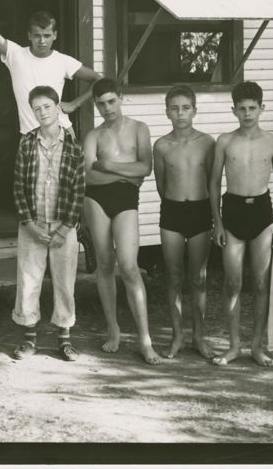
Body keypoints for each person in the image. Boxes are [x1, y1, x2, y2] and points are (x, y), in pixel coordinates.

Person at [209, 80, 273, 367]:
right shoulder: (225, 141)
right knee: (232, 282)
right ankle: (233, 346)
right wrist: (217, 222)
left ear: (262, 109)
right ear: (233, 110)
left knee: (260, 282)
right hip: (232, 211)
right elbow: (214, 182)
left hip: (261, 214)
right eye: (241, 109)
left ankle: (257, 346)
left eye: (252, 108)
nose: (247, 114)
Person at [83, 78, 162, 365]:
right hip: (95, 199)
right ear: (96, 105)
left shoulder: (139, 128)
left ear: (121, 98)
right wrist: (127, 174)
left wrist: (109, 166)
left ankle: (144, 339)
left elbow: (146, 168)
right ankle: (113, 329)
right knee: (104, 264)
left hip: (126, 201)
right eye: (101, 103)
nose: (107, 108)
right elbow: (88, 175)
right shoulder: (93, 136)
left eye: (111, 101)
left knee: (129, 265)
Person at [0, 0, 102, 135]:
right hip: (30, 135)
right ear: (29, 35)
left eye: (47, 35)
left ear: (55, 35)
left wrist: (74, 104)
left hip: (61, 132)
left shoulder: (63, 61)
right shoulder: (16, 54)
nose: (42, 41)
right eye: (37, 35)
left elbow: (98, 79)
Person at [10, 86, 86, 362]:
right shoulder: (27, 143)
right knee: (28, 281)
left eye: (47, 106)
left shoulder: (74, 146)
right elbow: (18, 186)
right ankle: (29, 338)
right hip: (33, 224)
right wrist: (29, 224)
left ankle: (64, 339)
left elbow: (78, 191)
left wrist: (65, 228)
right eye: (36, 108)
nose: (42, 112)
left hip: (62, 226)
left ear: (58, 107)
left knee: (65, 282)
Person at [153, 85, 216, 359]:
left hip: (201, 212)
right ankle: (178, 336)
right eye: (175, 108)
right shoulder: (162, 145)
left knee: (198, 278)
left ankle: (199, 337)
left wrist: (217, 216)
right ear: (167, 112)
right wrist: (174, 203)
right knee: (174, 276)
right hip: (172, 213)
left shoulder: (207, 143)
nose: (180, 113)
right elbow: (161, 184)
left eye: (185, 108)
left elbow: (213, 182)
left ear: (194, 111)